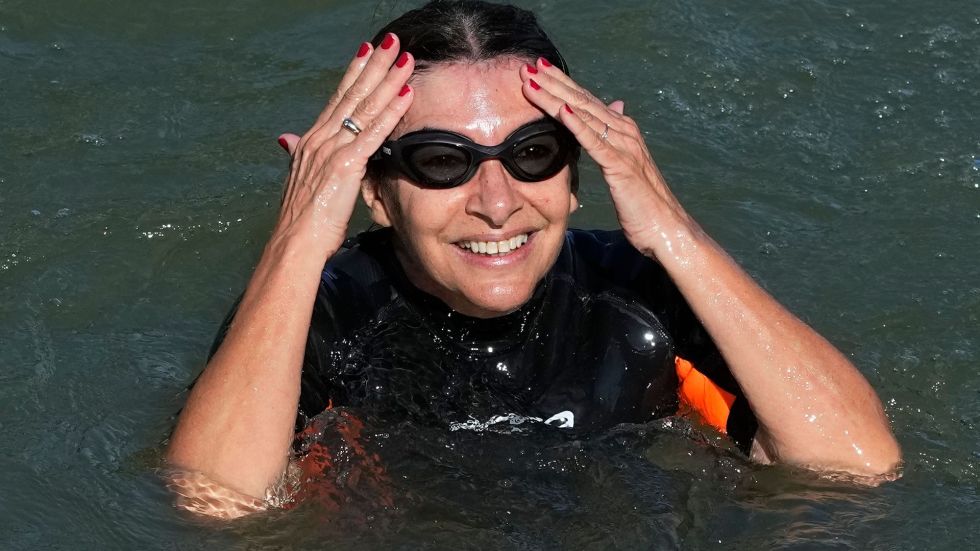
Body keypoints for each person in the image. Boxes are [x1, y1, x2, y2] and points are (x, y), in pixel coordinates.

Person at [165, 0, 900, 517]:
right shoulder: (323, 307)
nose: (497, 198)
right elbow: (215, 503)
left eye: (533, 153)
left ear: (577, 178)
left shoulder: (637, 297)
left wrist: (673, 231)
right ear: (377, 195)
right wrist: (296, 243)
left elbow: (860, 466)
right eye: (442, 161)